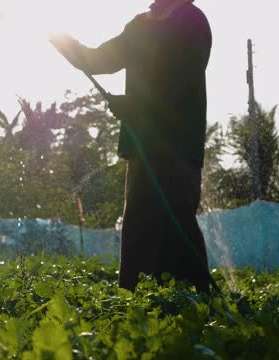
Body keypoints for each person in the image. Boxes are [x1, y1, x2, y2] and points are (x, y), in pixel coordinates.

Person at [50, 0, 213, 291]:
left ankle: (195, 300)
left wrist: (134, 105)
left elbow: (180, 83)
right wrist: (61, 40)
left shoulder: (192, 22)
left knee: (177, 224)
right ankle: (135, 301)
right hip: (142, 147)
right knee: (139, 227)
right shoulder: (140, 26)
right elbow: (99, 60)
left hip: (177, 146)